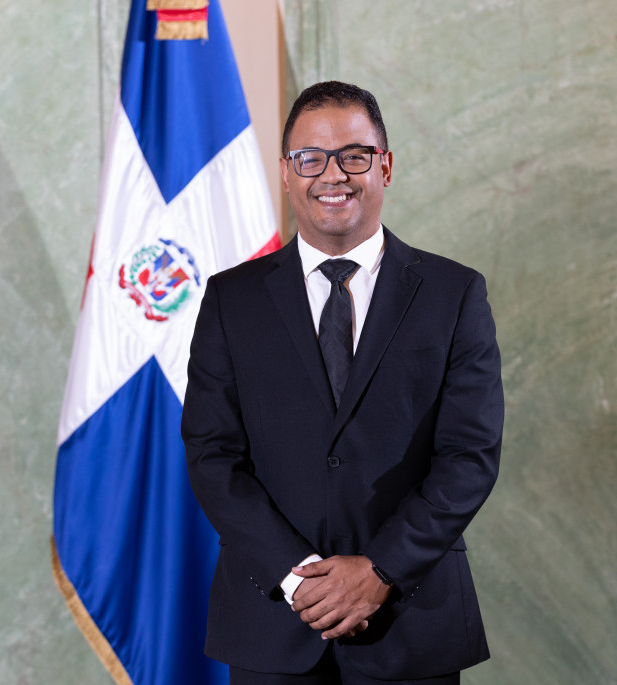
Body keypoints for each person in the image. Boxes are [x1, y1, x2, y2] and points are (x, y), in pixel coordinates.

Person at [181, 81, 504, 685]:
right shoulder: (231, 300)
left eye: (354, 155)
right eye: (311, 158)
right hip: (272, 621)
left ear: (385, 165)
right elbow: (211, 454)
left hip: (410, 622)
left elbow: (470, 455)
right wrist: (297, 575)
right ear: (286, 172)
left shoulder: (455, 294)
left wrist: (380, 570)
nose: (333, 175)